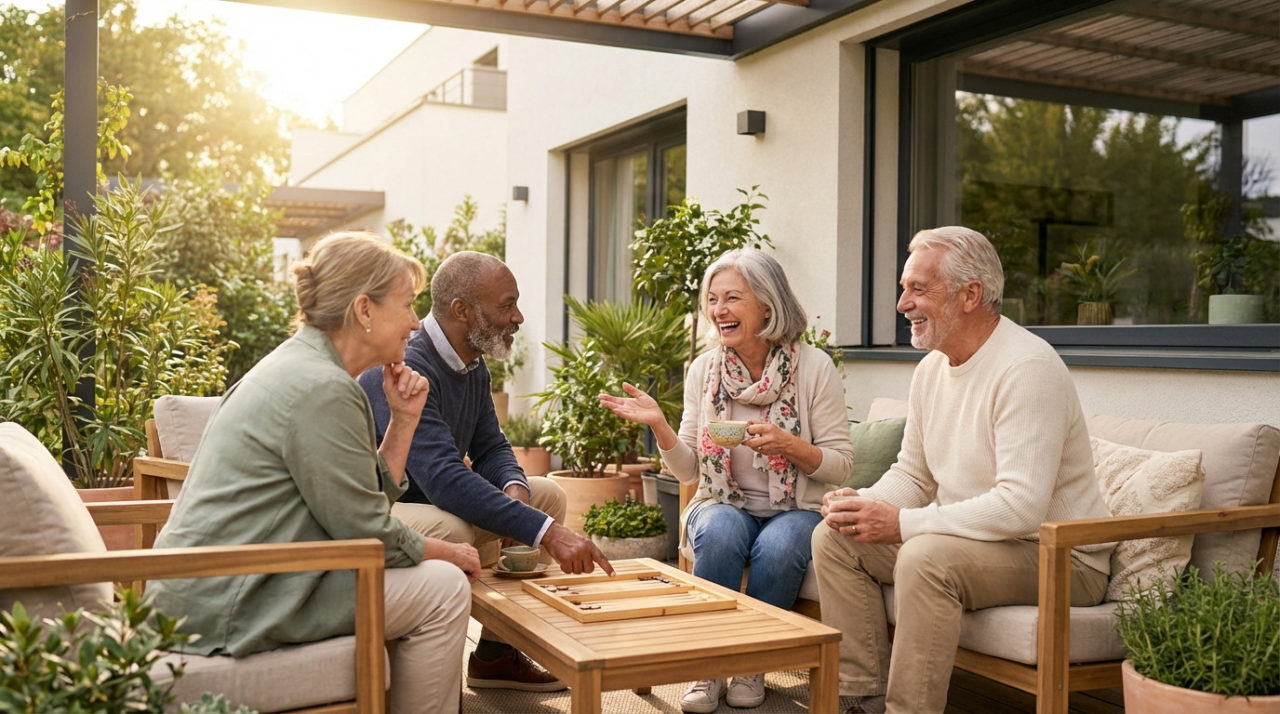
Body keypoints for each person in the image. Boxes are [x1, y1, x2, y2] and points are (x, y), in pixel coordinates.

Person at [149, 231, 477, 714]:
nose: (414, 323)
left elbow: (363, 500)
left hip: (230, 579)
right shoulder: (321, 389)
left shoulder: (308, 368)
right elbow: (369, 533)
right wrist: (453, 554)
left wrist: (403, 420)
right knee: (444, 588)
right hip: (237, 599)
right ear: (364, 311)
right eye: (407, 305)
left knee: (433, 548)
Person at [811, 226, 1114, 714]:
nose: (901, 303)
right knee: (835, 538)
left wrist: (903, 523)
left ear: (970, 295)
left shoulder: (1027, 368)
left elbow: (1020, 507)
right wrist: (863, 502)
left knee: (925, 558)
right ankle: (859, 698)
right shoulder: (931, 369)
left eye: (918, 289)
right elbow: (913, 476)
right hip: (979, 544)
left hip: (1061, 556)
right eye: (903, 288)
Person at [600, 249, 854, 713]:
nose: (718, 310)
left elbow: (841, 465)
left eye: (732, 298)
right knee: (720, 532)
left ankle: (751, 665)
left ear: (767, 304)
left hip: (796, 509)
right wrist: (660, 425)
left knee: (777, 547)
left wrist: (789, 445)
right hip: (722, 500)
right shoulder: (705, 370)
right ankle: (708, 666)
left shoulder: (814, 368)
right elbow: (689, 471)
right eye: (713, 299)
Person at [359, 250, 613, 693]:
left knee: (545, 493)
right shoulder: (409, 363)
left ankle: (495, 654)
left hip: (435, 502)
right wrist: (545, 532)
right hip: (386, 510)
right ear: (463, 310)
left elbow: (491, 445)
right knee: (452, 525)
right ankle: (438, 673)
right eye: (506, 304)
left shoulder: (471, 363)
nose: (517, 316)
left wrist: (515, 490)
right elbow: (441, 478)